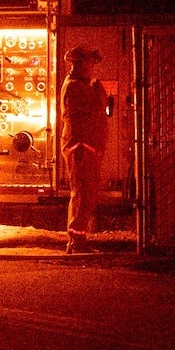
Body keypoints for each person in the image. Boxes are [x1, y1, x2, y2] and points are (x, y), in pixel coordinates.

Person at [59, 44, 109, 253]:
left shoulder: (79, 85)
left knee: (86, 193)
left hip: (85, 147)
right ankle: (77, 241)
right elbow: (96, 108)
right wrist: (99, 90)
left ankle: (78, 239)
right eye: (90, 63)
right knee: (82, 193)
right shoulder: (76, 87)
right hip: (81, 147)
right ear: (81, 63)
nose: (92, 68)